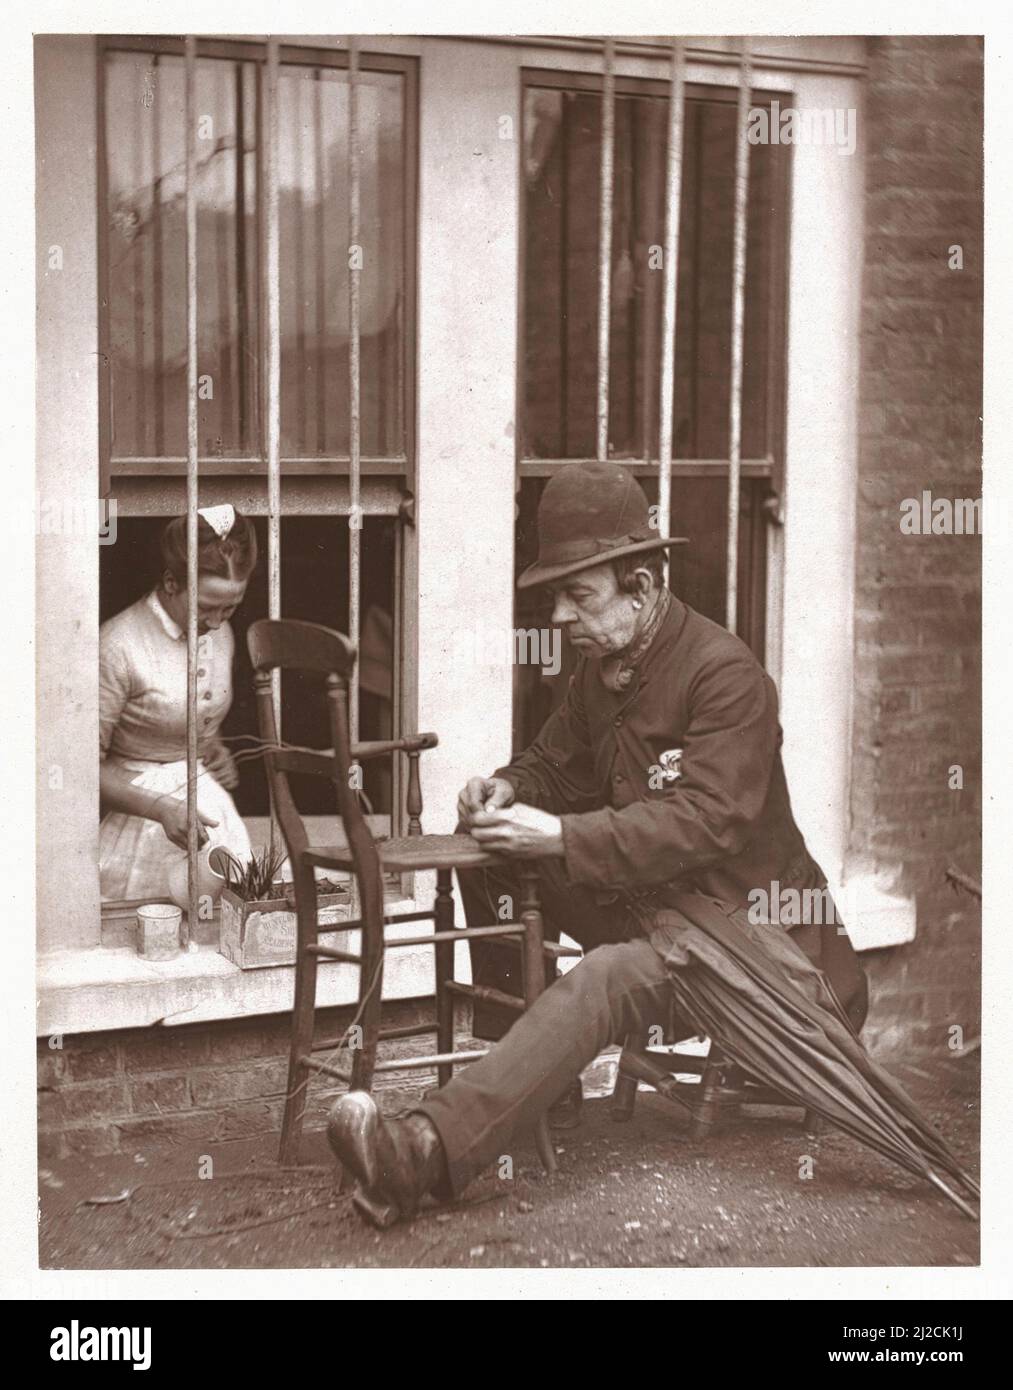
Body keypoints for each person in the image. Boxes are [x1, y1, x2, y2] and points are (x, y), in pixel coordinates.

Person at [327, 462, 869, 1226]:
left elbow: (707, 822)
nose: (558, 614)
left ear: (642, 586)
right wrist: (507, 790)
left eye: (577, 594)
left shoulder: (725, 675)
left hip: (757, 951)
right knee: (486, 853)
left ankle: (422, 1153)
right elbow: (553, 761)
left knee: (608, 976)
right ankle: (535, 1098)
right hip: (664, 919)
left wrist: (556, 833)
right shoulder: (597, 669)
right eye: (556, 594)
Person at [99, 504, 257, 902]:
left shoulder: (220, 633)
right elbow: (79, 769)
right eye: (205, 607)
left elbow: (195, 719)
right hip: (139, 812)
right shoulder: (118, 646)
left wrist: (213, 749)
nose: (219, 621)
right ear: (171, 582)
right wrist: (160, 808)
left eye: (231, 606)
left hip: (204, 806)